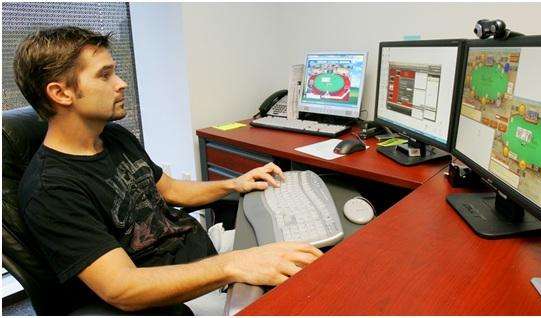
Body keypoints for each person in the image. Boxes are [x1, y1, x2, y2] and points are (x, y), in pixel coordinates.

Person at [15, 26, 322, 313]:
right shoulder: (51, 190)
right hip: (179, 295)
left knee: (316, 254)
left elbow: (171, 189)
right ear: (61, 93)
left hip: (206, 255)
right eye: (105, 75)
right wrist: (235, 264)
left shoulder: (113, 137)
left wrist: (234, 184)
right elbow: (121, 288)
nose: (121, 83)